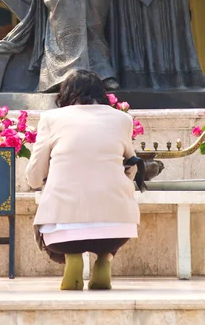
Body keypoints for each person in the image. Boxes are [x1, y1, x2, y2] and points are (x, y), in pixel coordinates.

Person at [26, 70, 140, 290]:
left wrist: (43, 180)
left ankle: (73, 257)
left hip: (63, 234)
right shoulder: (122, 119)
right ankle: (105, 259)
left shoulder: (51, 119)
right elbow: (132, 165)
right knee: (114, 209)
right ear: (102, 93)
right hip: (117, 230)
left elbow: (34, 176)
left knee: (48, 220)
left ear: (65, 93)